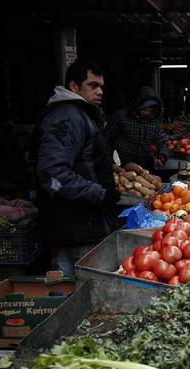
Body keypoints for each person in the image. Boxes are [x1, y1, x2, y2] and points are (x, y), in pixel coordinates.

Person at [34, 59, 118, 277]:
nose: (100, 92)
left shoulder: (81, 114)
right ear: (74, 86)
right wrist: (100, 193)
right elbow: (53, 175)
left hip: (85, 224)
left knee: (79, 287)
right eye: (92, 85)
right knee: (79, 290)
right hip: (75, 226)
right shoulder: (66, 117)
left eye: (101, 87)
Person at [104, 86, 169, 170]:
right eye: (145, 109)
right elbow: (106, 142)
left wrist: (162, 156)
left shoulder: (154, 123)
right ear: (138, 106)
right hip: (119, 167)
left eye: (151, 110)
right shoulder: (120, 118)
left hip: (143, 168)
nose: (147, 113)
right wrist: (117, 163)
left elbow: (163, 142)